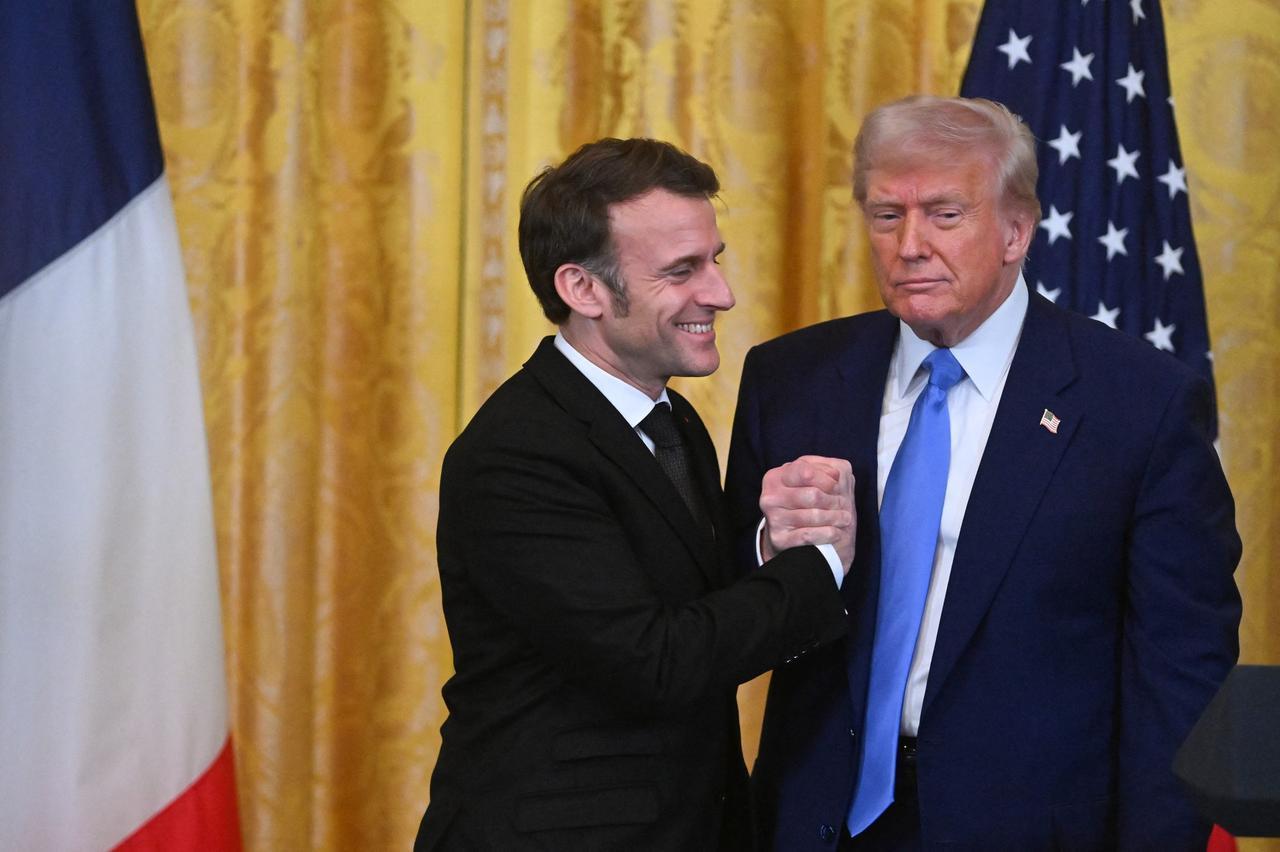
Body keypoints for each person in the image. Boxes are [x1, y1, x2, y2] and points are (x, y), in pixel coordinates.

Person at [725, 96, 1242, 850]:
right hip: (816, 822)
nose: (909, 245)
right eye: (885, 215)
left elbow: (1181, 678)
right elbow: (718, 604)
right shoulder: (793, 379)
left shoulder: (1139, 404)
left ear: (1014, 231)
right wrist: (770, 549)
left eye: (943, 214)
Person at [416, 137, 856, 851]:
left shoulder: (673, 419)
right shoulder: (518, 453)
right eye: (681, 270)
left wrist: (771, 545)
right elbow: (654, 663)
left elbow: (686, 602)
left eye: (714, 260)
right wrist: (821, 567)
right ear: (583, 289)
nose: (720, 293)